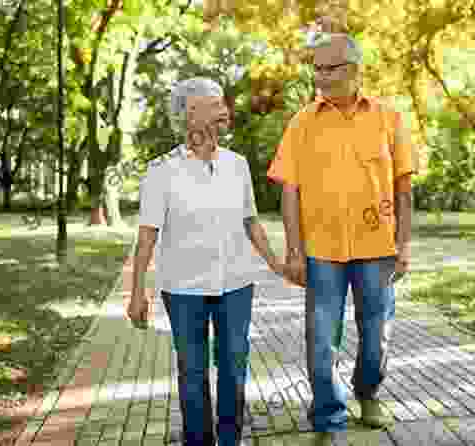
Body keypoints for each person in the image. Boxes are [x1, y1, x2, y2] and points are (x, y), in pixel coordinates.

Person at [267, 33, 417, 445]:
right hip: (321, 251)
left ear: (353, 70)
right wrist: (293, 250)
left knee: (375, 337)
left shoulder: (389, 118)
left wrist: (404, 244)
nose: (320, 76)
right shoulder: (302, 123)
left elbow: (403, 187)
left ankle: (367, 391)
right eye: (316, 68)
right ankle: (328, 418)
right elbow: (289, 190)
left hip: (377, 248)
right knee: (321, 338)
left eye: (328, 68)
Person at [128, 77, 286, 446]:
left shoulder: (237, 165)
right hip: (184, 289)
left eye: (223, 104)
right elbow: (147, 236)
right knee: (193, 371)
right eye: (214, 105)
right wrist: (137, 292)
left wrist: (276, 264)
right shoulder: (161, 171)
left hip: (236, 283)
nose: (224, 111)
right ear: (189, 114)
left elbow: (251, 222)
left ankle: (230, 439)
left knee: (234, 366)